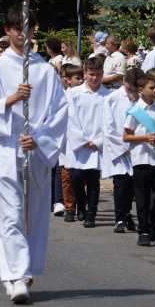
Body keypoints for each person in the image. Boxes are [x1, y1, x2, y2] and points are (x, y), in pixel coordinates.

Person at [0, 5, 68, 303]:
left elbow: (60, 113)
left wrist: (38, 139)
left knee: (33, 213)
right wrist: (11, 99)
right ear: (8, 31)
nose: (22, 35)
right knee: (10, 213)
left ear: (34, 31)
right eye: (16, 29)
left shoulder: (44, 71)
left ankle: (22, 271)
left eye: (28, 30)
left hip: (34, 149)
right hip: (5, 146)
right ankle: (17, 275)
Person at [122, 68, 155, 246]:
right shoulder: (135, 110)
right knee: (142, 197)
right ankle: (143, 230)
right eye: (152, 87)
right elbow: (126, 136)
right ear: (141, 90)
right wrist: (144, 137)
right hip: (141, 158)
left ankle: (151, 222)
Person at [63, 56, 110, 228]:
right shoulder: (74, 93)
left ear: (102, 74)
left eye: (98, 74)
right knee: (75, 177)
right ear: (84, 73)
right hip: (79, 143)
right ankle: (80, 204)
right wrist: (81, 139)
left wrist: (98, 140)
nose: (95, 78)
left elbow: (109, 122)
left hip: (96, 144)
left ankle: (91, 213)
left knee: (93, 181)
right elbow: (71, 117)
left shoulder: (107, 96)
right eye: (91, 74)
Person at [101, 67, 141, 234]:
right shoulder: (112, 99)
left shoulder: (142, 101)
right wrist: (123, 146)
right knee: (120, 184)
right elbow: (107, 127)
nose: (131, 92)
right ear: (124, 83)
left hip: (137, 148)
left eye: (135, 90)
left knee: (132, 185)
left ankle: (127, 214)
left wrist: (138, 100)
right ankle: (119, 218)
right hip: (119, 148)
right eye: (129, 89)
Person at [57, 63, 84, 220]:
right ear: (67, 80)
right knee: (66, 176)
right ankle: (69, 207)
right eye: (77, 78)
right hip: (66, 140)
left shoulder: (85, 95)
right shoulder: (61, 96)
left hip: (83, 140)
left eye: (81, 78)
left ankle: (80, 203)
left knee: (81, 176)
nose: (80, 81)